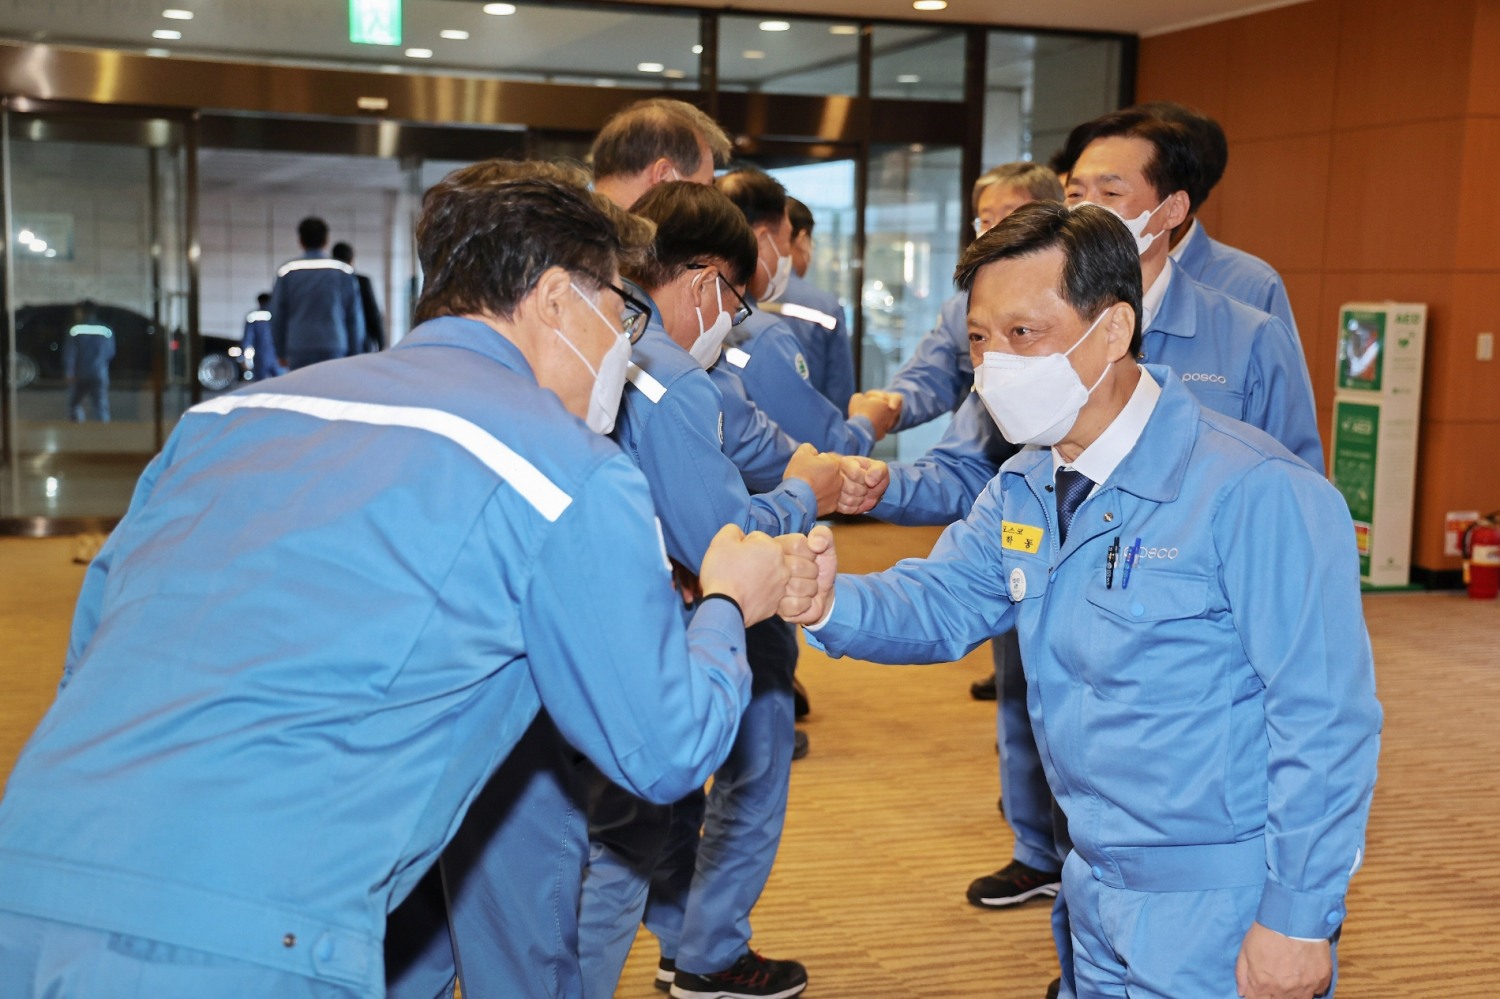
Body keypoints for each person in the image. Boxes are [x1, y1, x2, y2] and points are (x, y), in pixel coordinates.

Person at [0, 159, 820, 999]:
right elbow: (666, 748)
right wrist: (729, 598)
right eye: (622, 311)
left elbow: (93, 659)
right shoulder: (568, 469)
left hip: (29, 873)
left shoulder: (224, 420)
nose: (625, 344)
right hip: (245, 932)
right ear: (554, 300)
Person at [792, 201, 1382, 999]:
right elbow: (942, 601)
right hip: (1092, 891)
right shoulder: (1028, 482)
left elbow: (1325, 718)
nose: (994, 362)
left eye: (1023, 334)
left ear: (1111, 331)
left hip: (1222, 903)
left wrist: (1299, 916)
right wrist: (825, 601)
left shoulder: (1254, 490)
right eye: (979, 338)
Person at [580, 181, 858, 999]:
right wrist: (806, 492)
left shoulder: (611, 346)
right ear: (705, 282)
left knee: (618, 824)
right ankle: (703, 952)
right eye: (736, 302)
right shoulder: (669, 373)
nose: (735, 323)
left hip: (609, 620)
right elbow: (721, 546)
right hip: (676, 625)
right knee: (634, 827)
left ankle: (686, 939)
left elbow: (738, 450)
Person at [855, 162, 1064, 434]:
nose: (996, 230)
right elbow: (932, 373)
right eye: (986, 220)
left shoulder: (1073, 297)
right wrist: (893, 403)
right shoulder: (962, 308)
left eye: (1011, 216)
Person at [714, 168, 898, 454]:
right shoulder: (762, 335)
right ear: (763, 240)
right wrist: (867, 422)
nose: (787, 254)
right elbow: (826, 445)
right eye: (787, 240)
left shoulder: (700, 318)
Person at [767, 197, 855, 411]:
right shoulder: (824, 307)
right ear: (802, 239)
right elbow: (839, 395)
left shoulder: (732, 295)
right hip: (811, 437)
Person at [591, 97, 731, 208]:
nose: (709, 206)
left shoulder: (575, 232)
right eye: (704, 190)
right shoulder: (631, 242)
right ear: (663, 175)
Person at [269, 216, 364, 369]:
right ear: (327, 240)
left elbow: (278, 315)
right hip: (334, 345)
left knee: (301, 391)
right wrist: (355, 352)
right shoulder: (343, 272)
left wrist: (280, 351)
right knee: (330, 390)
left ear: (300, 241)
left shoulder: (288, 271)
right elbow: (354, 316)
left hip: (298, 346)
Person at [62, 300, 115, 422]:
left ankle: (77, 431)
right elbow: (111, 352)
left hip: (79, 373)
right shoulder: (106, 330)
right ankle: (104, 433)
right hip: (99, 372)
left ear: (82, 312)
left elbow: (70, 353)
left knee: (74, 405)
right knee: (100, 405)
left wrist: (69, 372)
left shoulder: (75, 329)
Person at [331, 241, 386, 352]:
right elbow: (373, 313)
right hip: (362, 341)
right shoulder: (362, 281)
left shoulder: (329, 283)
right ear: (352, 260)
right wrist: (381, 342)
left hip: (336, 341)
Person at [240, 292, 283, 381]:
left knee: (259, 384)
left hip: (260, 356)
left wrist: (244, 358)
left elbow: (248, 339)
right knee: (281, 383)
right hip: (277, 356)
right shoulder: (278, 315)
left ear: (259, 302)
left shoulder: (253, 316)